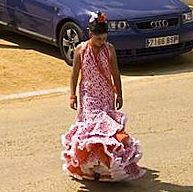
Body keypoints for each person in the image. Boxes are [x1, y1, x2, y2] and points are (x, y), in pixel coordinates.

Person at [62, 13, 145, 182]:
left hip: (106, 95)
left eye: (104, 38)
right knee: (92, 130)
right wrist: (72, 95)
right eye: (98, 39)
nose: (102, 42)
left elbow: (115, 72)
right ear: (91, 35)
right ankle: (88, 167)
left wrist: (119, 93)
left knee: (107, 132)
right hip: (89, 97)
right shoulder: (81, 50)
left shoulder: (109, 49)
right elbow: (74, 74)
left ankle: (106, 168)